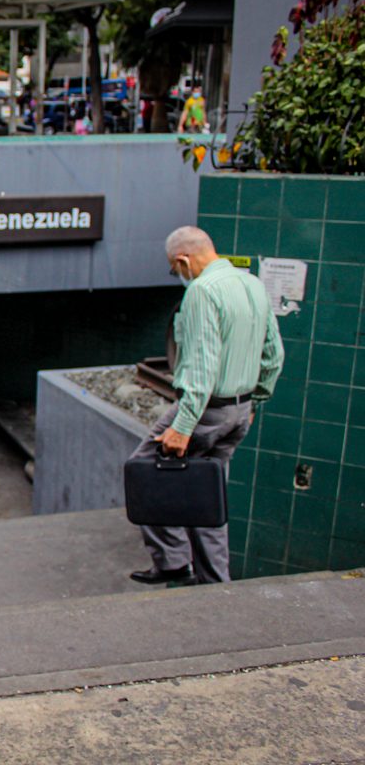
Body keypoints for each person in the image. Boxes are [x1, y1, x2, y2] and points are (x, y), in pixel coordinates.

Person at [128, 227, 284, 586]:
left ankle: (172, 562)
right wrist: (256, 401)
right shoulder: (253, 285)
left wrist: (183, 426)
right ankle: (215, 583)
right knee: (206, 496)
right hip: (239, 413)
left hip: (205, 412)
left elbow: (201, 367)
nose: (178, 275)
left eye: (174, 269)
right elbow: (274, 355)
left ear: (182, 260)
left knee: (143, 470)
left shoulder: (202, 291)